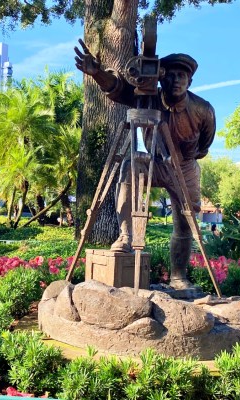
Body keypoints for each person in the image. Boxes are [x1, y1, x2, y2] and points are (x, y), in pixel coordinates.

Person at [74, 40, 216, 291]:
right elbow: (118, 89)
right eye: (169, 75)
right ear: (160, 78)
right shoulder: (147, 96)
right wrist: (97, 73)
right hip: (153, 160)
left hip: (184, 166)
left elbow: (204, 147)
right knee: (129, 165)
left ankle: (178, 277)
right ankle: (126, 236)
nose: (175, 81)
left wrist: (182, 156)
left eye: (181, 76)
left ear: (190, 82)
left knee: (185, 222)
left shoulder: (204, 110)